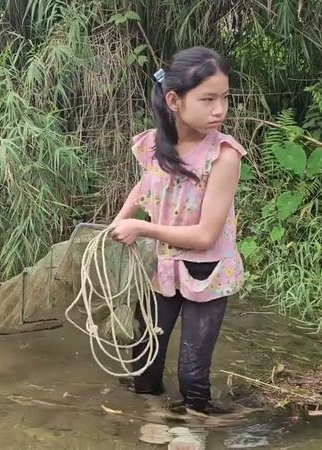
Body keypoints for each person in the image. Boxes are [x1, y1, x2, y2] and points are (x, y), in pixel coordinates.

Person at [109, 46, 246, 415]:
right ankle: (143, 427)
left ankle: (201, 428)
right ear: (174, 99)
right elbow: (146, 184)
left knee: (193, 382)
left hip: (207, 273)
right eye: (207, 99)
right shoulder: (154, 143)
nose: (219, 109)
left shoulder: (224, 155)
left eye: (224, 98)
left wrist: (141, 227)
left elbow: (205, 236)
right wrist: (122, 217)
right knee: (144, 367)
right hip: (163, 267)